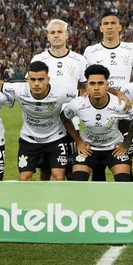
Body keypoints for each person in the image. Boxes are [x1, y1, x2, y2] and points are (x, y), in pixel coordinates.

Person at [84, 11, 133, 181]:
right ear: (101, 28)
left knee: (125, 156)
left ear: (119, 27)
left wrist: (130, 94)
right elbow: (85, 81)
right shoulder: (91, 51)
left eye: (113, 23)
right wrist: (115, 92)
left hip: (122, 110)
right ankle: (99, 202)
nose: (109, 27)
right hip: (99, 109)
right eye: (106, 23)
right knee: (99, 161)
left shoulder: (131, 48)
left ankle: (127, 197)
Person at [60, 64, 133, 182]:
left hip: (114, 148)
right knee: (77, 181)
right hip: (89, 148)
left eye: (100, 83)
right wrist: (78, 142)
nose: (96, 87)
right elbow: (64, 117)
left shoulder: (119, 104)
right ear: (86, 86)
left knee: (124, 181)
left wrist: (126, 142)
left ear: (107, 85)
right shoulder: (78, 104)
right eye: (92, 84)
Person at [30, 19, 87, 179]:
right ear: (47, 36)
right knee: (45, 170)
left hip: (72, 122)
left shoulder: (79, 60)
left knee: (72, 169)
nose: (56, 35)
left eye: (60, 32)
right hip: (47, 123)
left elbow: (84, 89)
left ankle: (69, 203)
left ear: (67, 35)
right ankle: (44, 203)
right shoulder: (38, 59)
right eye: (53, 32)